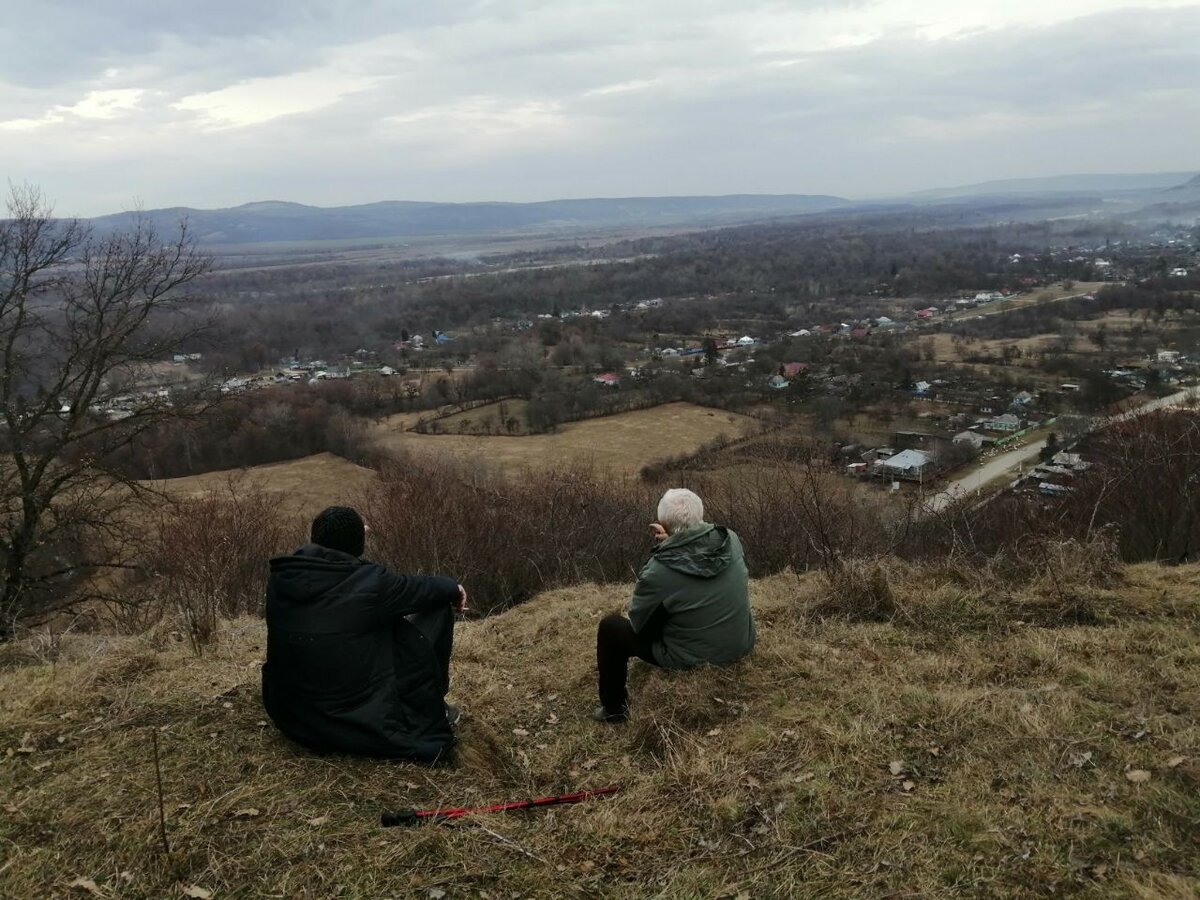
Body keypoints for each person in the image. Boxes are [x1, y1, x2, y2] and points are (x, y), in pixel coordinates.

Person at [262, 506, 468, 763]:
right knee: (436, 607)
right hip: (357, 720)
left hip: (294, 717)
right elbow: (430, 589)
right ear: (358, 542)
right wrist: (455, 588)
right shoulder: (372, 584)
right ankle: (435, 704)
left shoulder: (282, 578)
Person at [594, 488, 756, 723]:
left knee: (611, 628)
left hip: (692, 658)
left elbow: (639, 625)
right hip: (741, 643)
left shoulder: (658, 571)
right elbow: (697, 556)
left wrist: (665, 548)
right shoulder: (730, 538)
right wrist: (675, 539)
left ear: (663, 525)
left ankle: (614, 709)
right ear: (701, 513)